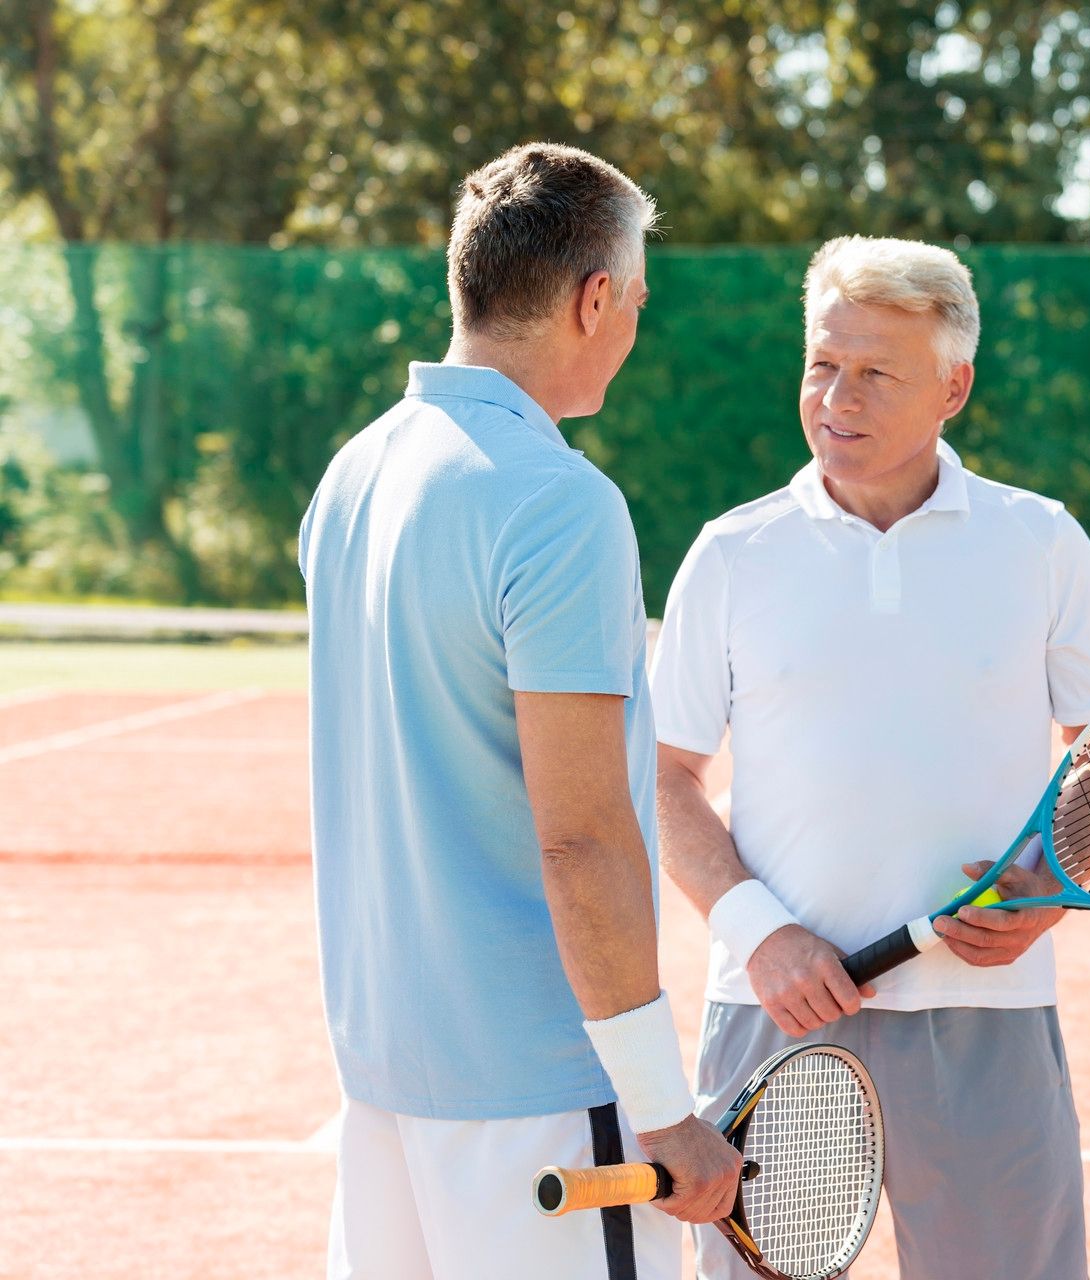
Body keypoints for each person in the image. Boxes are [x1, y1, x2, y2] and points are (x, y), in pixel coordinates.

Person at [300, 142, 740, 1280]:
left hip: (383, 1083)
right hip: (543, 1097)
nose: (635, 325)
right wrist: (662, 1104)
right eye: (636, 299)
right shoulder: (558, 501)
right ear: (597, 299)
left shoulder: (352, 476)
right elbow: (583, 831)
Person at [650, 235, 1090, 1280]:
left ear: (954, 386)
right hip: (774, 1011)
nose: (837, 396)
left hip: (988, 1014)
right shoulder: (733, 552)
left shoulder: (1041, 541)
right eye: (823, 364)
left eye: (876, 371)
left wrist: (1051, 883)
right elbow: (661, 776)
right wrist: (762, 932)